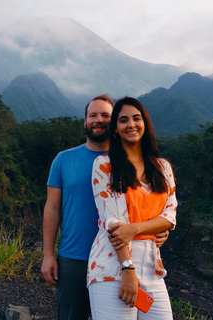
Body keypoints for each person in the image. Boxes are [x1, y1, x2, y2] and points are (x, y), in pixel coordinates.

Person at [41, 94, 169, 320]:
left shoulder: (131, 162)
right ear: (85, 121)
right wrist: (47, 255)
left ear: (114, 123)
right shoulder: (64, 159)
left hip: (119, 257)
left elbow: (149, 206)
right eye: (93, 115)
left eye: (105, 115)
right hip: (75, 257)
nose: (98, 120)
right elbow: (52, 208)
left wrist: (158, 229)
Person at [87, 96, 177, 320]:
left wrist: (135, 229)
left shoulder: (162, 166)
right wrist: (127, 268)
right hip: (112, 265)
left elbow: (170, 215)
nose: (131, 124)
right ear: (115, 129)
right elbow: (113, 223)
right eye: (123, 120)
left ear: (145, 123)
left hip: (152, 266)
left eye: (136, 118)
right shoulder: (104, 165)